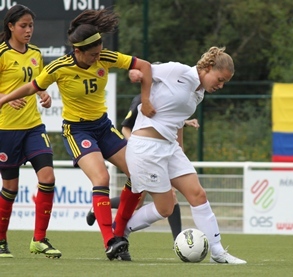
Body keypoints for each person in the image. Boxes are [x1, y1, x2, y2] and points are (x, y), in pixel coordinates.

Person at [0, 9, 154, 261]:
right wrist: (4, 99)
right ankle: (110, 241)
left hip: (103, 127)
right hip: (77, 129)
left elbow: (145, 66)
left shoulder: (104, 56)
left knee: (139, 175)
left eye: (99, 53)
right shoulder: (60, 67)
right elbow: (32, 85)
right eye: (92, 54)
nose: (97, 58)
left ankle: (118, 233)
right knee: (101, 177)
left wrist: (145, 99)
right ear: (78, 52)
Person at [115, 46, 246, 264]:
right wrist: (139, 85)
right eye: (220, 79)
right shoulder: (178, 71)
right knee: (166, 208)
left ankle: (217, 252)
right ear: (209, 67)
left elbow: (177, 123)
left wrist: (180, 152)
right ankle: (120, 232)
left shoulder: (199, 93)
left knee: (198, 194)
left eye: (225, 83)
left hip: (170, 148)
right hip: (146, 148)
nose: (221, 85)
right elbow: (145, 68)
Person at [86, 93, 200, 242]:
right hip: (142, 154)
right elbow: (125, 129)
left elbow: (165, 124)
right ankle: (105, 215)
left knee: (169, 197)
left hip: (160, 155)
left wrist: (183, 123)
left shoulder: (170, 99)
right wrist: (136, 147)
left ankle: (177, 241)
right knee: (142, 202)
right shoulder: (141, 99)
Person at [0, 4, 61, 259]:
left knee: (48, 177)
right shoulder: (1, 53)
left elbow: (37, 84)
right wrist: (5, 96)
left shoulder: (36, 53)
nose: (28, 31)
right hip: (7, 129)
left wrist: (44, 94)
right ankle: (1, 241)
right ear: (11, 27)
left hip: (33, 126)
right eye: (23, 26)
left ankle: (39, 239)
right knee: (10, 187)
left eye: (31, 26)